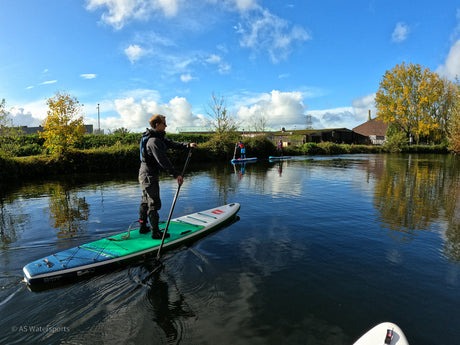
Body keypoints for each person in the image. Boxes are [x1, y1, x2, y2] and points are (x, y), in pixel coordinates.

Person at [138, 114, 197, 239]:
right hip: (148, 175)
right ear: (157, 124)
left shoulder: (157, 137)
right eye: (164, 123)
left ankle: (143, 228)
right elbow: (162, 160)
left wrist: (187, 145)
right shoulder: (153, 141)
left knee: (145, 201)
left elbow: (171, 144)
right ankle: (155, 233)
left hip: (146, 174)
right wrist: (176, 175)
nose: (166, 125)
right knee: (153, 203)